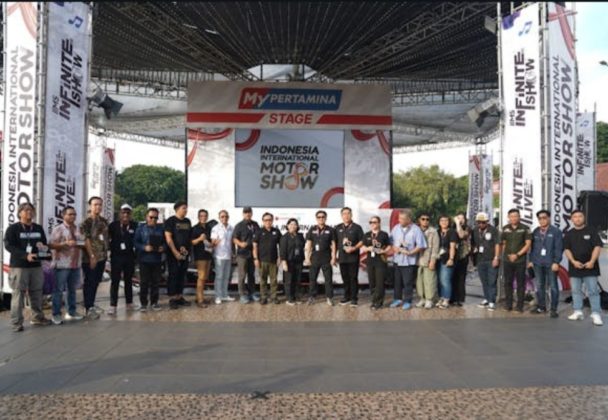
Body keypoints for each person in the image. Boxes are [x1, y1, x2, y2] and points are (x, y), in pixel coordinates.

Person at [3, 203, 52, 332]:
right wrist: (25, 255)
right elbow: (9, 246)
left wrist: (44, 250)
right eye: (26, 210)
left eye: (31, 210)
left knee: (37, 292)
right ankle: (16, 323)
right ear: (20, 213)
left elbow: (44, 244)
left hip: (36, 265)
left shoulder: (38, 228)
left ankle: (37, 317)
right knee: (18, 294)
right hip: (19, 267)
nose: (29, 212)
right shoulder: (13, 229)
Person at [564, 210, 603, 326]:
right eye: (575, 217)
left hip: (590, 267)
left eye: (580, 216)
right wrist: (573, 261)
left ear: (584, 218)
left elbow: (597, 247)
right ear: (572, 219)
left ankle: (596, 313)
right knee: (576, 291)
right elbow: (567, 249)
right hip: (575, 267)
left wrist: (592, 261)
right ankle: (578, 311)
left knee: (593, 291)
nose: (577, 218)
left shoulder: (592, 231)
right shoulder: (569, 234)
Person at [48, 206, 85, 324]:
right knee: (58, 290)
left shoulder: (78, 228)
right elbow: (51, 244)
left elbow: (83, 242)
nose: (73, 216)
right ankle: (56, 314)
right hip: (61, 265)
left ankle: (71, 312)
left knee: (72, 290)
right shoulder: (58, 229)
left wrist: (79, 243)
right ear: (63, 215)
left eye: (74, 214)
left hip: (75, 264)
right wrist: (65, 243)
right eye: (70, 214)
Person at [389, 209, 427, 310]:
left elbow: (421, 245)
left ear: (409, 219)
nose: (400, 220)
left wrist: (410, 252)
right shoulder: (396, 228)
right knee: (397, 282)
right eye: (399, 218)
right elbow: (390, 241)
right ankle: (397, 299)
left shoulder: (416, 229)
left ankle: (407, 301)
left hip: (409, 261)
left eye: (402, 219)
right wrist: (394, 248)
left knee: (407, 283)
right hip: (397, 260)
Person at [528, 210, 563, 317]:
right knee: (539, 286)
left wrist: (556, 262)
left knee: (553, 286)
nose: (542, 220)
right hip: (538, 263)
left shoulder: (556, 231)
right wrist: (531, 260)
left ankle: (553, 309)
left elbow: (559, 248)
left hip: (551, 263)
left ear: (549, 218)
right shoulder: (535, 231)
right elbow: (532, 248)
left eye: (544, 218)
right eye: (540, 218)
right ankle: (541, 307)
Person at [80, 196, 110, 320]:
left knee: (96, 282)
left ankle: (91, 304)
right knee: (90, 282)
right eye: (95, 204)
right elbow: (85, 240)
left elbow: (106, 238)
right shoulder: (86, 223)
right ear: (90, 206)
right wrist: (92, 256)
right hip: (89, 258)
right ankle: (88, 307)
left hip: (102, 257)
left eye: (100, 204)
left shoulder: (104, 221)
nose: (98, 207)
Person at [107, 204, 138, 315]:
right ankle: (113, 305)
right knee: (115, 281)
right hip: (116, 257)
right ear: (120, 213)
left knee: (128, 280)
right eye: (123, 212)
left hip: (129, 257)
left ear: (131, 214)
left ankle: (129, 302)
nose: (125, 215)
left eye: (128, 213)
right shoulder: (113, 225)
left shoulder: (135, 225)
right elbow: (107, 239)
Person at [500, 208, 532, 312]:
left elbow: (528, 244)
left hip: (520, 260)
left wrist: (517, 255)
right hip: (507, 260)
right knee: (507, 282)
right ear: (508, 217)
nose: (513, 218)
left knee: (520, 283)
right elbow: (503, 243)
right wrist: (507, 255)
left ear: (519, 217)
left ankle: (519, 306)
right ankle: (508, 304)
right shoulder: (505, 228)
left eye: (516, 216)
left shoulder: (525, 228)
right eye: (511, 216)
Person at [134, 208, 165, 312]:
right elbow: (135, 242)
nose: (153, 219)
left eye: (156, 218)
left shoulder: (161, 229)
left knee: (156, 282)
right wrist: (144, 247)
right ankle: (143, 304)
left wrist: (163, 248)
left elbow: (165, 242)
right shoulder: (140, 229)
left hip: (157, 259)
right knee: (144, 283)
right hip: (144, 259)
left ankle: (154, 303)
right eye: (151, 217)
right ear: (146, 217)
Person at [164, 200, 193, 310]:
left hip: (184, 253)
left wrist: (186, 250)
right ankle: (172, 298)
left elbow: (189, 237)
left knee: (182, 275)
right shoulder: (170, 221)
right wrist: (175, 252)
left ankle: (179, 297)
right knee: (173, 274)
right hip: (173, 253)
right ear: (177, 209)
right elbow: (168, 237)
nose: (186, 210)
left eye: (186, 208)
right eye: (183, 208)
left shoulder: (187, 221)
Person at [305, 210, 337, 306]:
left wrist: (333, 257)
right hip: (314, 257)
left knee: (328, 279)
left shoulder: (330, 230)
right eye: (319, 217)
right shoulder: (312, 229)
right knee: (312, 279)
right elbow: (308, 244)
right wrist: (307, 258)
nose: (321, 218)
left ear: (326, 218)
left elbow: (333, 245)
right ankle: (312, 297)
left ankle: (329, 297)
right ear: (316, 218)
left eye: (323, 217)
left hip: (326, 257)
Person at [334, 207, 364, 307]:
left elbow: (362, 241)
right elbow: (334, 243)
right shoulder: (338, 227)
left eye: (348, 213)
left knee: (353, 278)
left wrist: (354, 248)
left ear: (351, 215)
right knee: (345, 278)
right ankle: (346, 297)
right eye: (344, 214)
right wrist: (334, 256)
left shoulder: (357, 227)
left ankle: (354, 299)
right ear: (341, 216)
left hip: (353, 257)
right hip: (342, 258)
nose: (346, 216)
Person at [471, 212, 500, 311]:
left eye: (483, 222)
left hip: (491, 259)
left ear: (487, 221)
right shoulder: (475, 230)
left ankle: (492, 301)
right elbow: (473, 243)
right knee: (484, 281)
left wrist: (496, 257)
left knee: (492, 281)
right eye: (479, 222)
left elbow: (497, 244)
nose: (481, 224)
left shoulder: (493, 230)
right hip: (480, 259)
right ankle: (487, 298)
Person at [362, 215, 391, 310]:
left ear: (379, 223)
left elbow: (389, 246)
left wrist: (383, 251)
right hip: (370, 262)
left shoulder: (384, 234)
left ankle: (379, 302)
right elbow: (363, 247)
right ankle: (374, 300)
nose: (372, 224)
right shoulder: (367, 234)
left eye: (374, 222)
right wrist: (368, 248)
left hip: (380, 261)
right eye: (371, 222)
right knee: (372, 283)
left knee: (380, 283)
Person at [253, 212, 282, 304]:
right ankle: (263, 297)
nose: (268, 222)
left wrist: (280, 257)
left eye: (269, 220)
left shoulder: (276, 231)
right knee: (263, 280)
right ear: (263, 221)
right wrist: (255, 258)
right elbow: (255, 246)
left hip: (273, 260)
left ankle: (274, 297)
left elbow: (281, 245)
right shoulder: (258, 232)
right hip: (262, 260)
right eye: (266, 220)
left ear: (272, 221)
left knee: (274, 280)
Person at [233, 207, 260, 304]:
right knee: (242, 275)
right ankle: (242, 294)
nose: (247, 214)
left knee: (251, 275)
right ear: (243, 214)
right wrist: (240, 244)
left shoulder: (255, 224)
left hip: (252, 254)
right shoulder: (239, 225)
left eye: (249, 212)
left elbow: (258, 236)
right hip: (242, 254)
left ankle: (252, 293)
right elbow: (234, 238)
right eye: (245, 213)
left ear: (251, 213)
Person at [416, 213, 439, 309]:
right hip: (418, 260)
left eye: (427, 219)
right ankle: (422, 298)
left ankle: (429, 299)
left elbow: (435, 248)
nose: (425, 221)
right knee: (419, 282)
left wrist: (433, 260)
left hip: (428, 259)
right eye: (423, 219)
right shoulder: (415, 230)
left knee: (429, 281)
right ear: (419, 220)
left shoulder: (433, 231)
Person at [279, 218, 305, 306]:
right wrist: (284, 262)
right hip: (289, 262)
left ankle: (296, 297)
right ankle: (289, 299)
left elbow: (304, 247)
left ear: (297, 226)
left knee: (297, 280)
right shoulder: (284, 237)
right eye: (291, 224)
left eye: (295, 224)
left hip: (299, 261)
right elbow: (282, 251)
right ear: (287, 226)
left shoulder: (300, 236)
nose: (293, 226)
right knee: (289, 281)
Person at [191, 209, 213, 308]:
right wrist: (199, 239)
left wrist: (212, 243)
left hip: (208, 255)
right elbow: (191, 242)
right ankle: (200, 300)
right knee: (201, 277)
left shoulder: (209, 228)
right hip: (200, 256)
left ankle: (199, 297)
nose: (203, 217)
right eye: (201, 216)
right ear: (198, 217)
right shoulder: (195, 228)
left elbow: (210, 241)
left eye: (205, 216)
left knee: (204, 278)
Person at [211, 210, 234, 304]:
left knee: (226, 276)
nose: (224, 218)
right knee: (219, 276)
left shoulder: (231, 228)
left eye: (226, 216)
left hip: (228, 255)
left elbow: (232, 242)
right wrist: (214, 242)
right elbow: (213, 242)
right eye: (222, 216)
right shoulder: (215, 228)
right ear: (219, 218)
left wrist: (233, 253)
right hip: (219, 256)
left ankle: (224, 295)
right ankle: (218, 296)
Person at [436, 215, 458, 309]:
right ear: (439, 222)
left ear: (449, 222)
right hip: (438, 258)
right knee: (440, 280)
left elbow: (453, 247)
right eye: (442, 220)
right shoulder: (437, 232)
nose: (444, 222)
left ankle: (446, 299)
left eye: (446, 220)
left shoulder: (452, 232)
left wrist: (451, 258)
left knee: (445, 280)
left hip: (447, 259)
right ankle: (441, 297)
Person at [451, 212, 471, 306]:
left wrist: (458, 224)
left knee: (461, 278)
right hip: (452, 256)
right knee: (452, 277)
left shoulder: (467, 228)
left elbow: (461, 235)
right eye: (458, 218)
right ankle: (451, 297)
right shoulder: (452, 228)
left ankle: (459, 299)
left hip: (462, 255)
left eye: (462, 218)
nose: (460, 220)